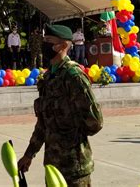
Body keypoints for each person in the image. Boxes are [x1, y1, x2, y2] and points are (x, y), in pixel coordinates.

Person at [18, 24, 103, 186]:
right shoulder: (49, 77)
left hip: (74, 168)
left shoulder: (73, 76)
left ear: (63, 45)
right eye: (44, 40)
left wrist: (71, 133)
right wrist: (29, 154)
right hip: (53, 165)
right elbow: (43, 123)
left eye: (49, 40)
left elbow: (95, 122)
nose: (45, 44)